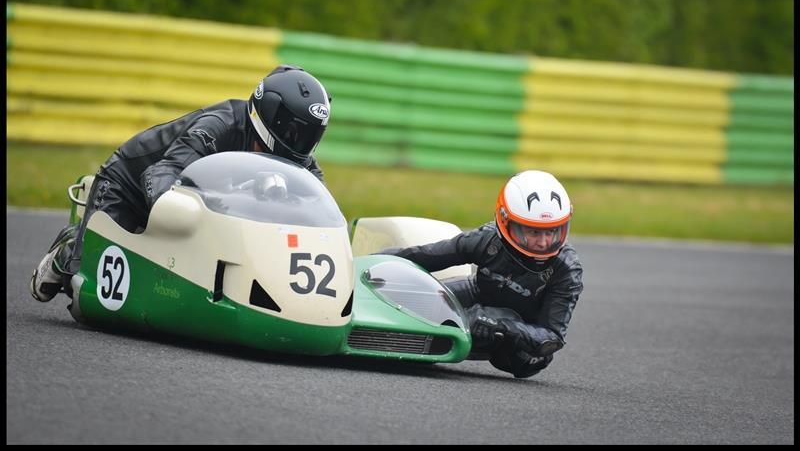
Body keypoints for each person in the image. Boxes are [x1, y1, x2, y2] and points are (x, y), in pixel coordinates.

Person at [30, 64, 332, 303]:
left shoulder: (299, 158)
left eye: (310, 137)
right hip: (129, 185)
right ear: (271, 116)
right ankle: (68, 251)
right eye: (295, 133)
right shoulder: (218, 126)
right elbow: (161, 173)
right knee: (87, 291)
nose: (301, 144)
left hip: (199, 202)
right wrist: (171, 209)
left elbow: (315, 202)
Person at [380, 170, 583, 378]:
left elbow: (552, 338)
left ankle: (449, 335)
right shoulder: (488, 239)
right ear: (506, 222)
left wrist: (504, 326)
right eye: (534, 232)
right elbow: (426, 255)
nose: (543, 243)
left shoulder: (566, 269)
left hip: (519, 340)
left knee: (524, 360)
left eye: (551, 232)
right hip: (478, 295)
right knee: (423, 298)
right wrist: (377, 261)